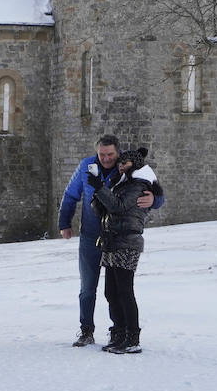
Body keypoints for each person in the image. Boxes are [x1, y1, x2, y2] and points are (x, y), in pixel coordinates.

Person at [58, 134, 161, 346]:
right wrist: (64, 223)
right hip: (91, 235)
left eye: (110, 154)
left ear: (118, 152)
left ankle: (120, 332)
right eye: (102, 155)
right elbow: (70, 195)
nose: (106, 159)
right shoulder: (87, 166)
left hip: (117, 239)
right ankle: (87, 330)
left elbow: (152, 188)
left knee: (118, 290)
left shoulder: (128, 168)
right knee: (90, 287)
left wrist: (155, 199)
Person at [88, 145, 161, 354]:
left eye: (125, 163)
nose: (121, 166)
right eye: (120, 163)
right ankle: (119, 333)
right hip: (112, 241)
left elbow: (119, 207)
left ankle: (132, 337)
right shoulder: (121, 184)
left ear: (135, 164)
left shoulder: (138, 185)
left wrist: (101, 189)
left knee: (125, 291)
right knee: (111, 292)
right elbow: (103, 209)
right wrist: (99, 192)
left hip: (127, 242)